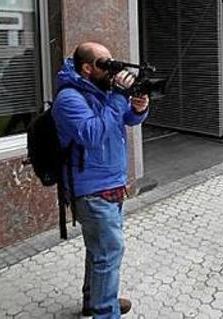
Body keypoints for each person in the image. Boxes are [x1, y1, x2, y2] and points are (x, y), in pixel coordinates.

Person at [53, 42, 150, 318]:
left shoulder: (98, 89)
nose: (112, 68)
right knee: (109, 252)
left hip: (110, 184)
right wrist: (119, 97)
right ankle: (105, 312)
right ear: (87, 68)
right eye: (104, 63)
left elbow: (125, 118)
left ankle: (95, 301)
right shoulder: (69, 98)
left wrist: (139, 107)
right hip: (92, 189)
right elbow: (93, 133)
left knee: (98, 249)